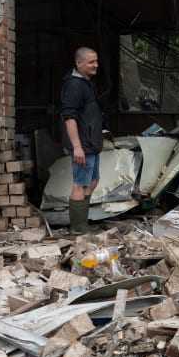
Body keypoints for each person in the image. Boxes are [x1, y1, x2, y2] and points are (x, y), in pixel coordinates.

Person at [61, 47, 103, 235]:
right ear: (78, 63)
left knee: (93, 181)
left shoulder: (87, 83)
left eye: (96, 61)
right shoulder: (74, 86)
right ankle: (78, 229)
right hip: (83, 145)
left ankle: (82, 223)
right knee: (80, 184)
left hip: (92, 144)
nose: (95, 65)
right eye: (91, 62)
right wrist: (77, 147)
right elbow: (69, 117)